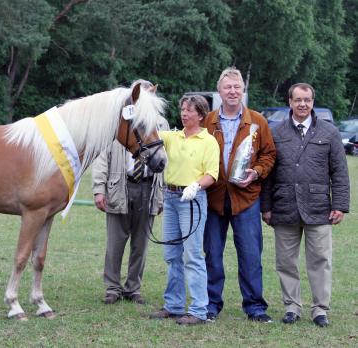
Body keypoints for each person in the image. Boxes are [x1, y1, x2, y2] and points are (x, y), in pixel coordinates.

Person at [261, 83, 350, 327]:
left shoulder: (329, 132)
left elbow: (340, 172)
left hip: (319, 207)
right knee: (285, 262)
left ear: (313, 102)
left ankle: (320, 309)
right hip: (284, 206)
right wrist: (266, 206)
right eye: (298, 99)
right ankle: (292, 307)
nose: (302, 104)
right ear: (289, 102)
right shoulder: (276, 132)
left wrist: (340, 205)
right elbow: (268, 174)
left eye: (307, 100)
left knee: (320, 260)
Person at [203, 67, 276, 322]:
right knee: (212, 253)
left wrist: (255, 172)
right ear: (219, 91)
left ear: (243, 90)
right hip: (213, 198)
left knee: (250, 254)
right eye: (227, 87)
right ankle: (210, 304)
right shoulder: (207, 121)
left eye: (237, 87)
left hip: (246, 198)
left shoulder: (257, 122)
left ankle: (255, 307)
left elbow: (269, 154)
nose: (233, 92)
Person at [91, 80, 169, 305]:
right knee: (115, 243)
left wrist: (160, 194)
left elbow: (165, 162)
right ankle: (112, 287)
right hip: (120, 186)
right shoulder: (117, 122)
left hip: (148, 187)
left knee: (141, 244)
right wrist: (99, 189)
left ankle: (133, 287)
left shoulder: (160, 123)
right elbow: (101, 156)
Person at [149, 95, 219, 325]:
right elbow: (149, 134)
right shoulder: (172, 136)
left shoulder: (208, 141)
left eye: (189, 110)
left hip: (192, 199)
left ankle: (199, 310)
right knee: (172, 255)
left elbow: (211, 173)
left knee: (193, 255)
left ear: (200, 115)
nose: (184, 113)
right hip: (170, 197)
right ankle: (174, 305)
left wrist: (196, 185)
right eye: (182, 109)